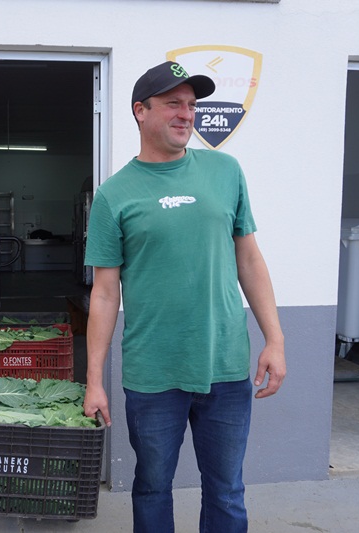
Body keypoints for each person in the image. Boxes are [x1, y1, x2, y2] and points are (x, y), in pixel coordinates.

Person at [82, 61, 286, 533]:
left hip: (226, 367)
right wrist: (94, 379)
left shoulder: (225, 171)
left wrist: (274, 340)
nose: (186, 114)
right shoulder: (114, 195)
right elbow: (105, 294)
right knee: (152, 487)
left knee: (227, 491)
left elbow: (249, 259)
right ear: (140, 111)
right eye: (173, 103)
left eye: (192, 105)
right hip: (153, 375)